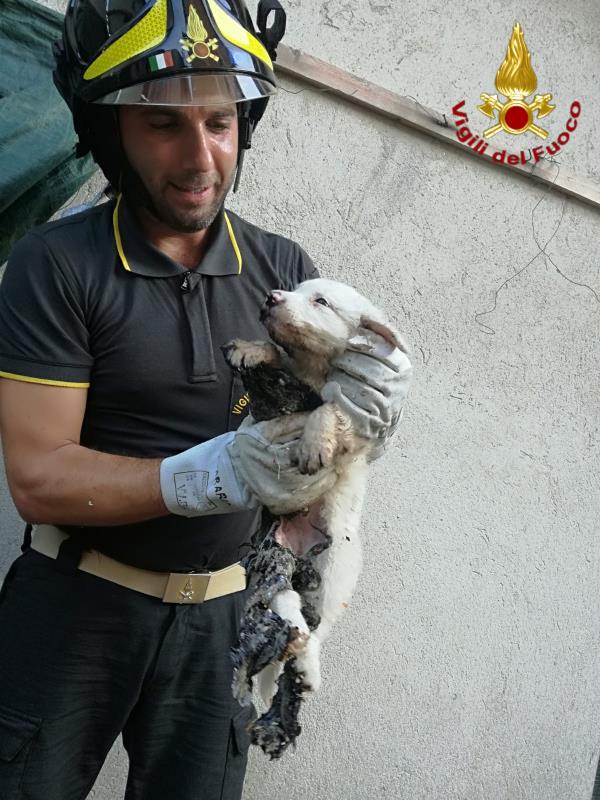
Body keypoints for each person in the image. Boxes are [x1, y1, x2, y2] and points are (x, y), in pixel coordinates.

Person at [0, 1, 412, 798]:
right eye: (164, 126)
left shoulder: (281, 270)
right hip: (74, 607)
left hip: (224, 621)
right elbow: (38, 478)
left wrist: (370, 418)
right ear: (111, 130)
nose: (201, 156)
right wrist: (212, 473)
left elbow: (321, 434)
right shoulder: (56, 264)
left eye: (219, 122)